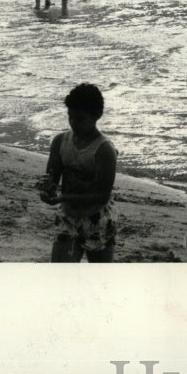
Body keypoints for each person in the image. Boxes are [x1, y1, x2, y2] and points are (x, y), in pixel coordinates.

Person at [37, 83, 118, 262]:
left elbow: (101, 196)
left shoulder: (104, 150)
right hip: (68, 217)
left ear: (96, 116)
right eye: (70, 117)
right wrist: (47, 190)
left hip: (97, 220)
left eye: (80, 119)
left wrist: (62, 198)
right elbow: (52, 177)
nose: (74, 123)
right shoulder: (60, 142)